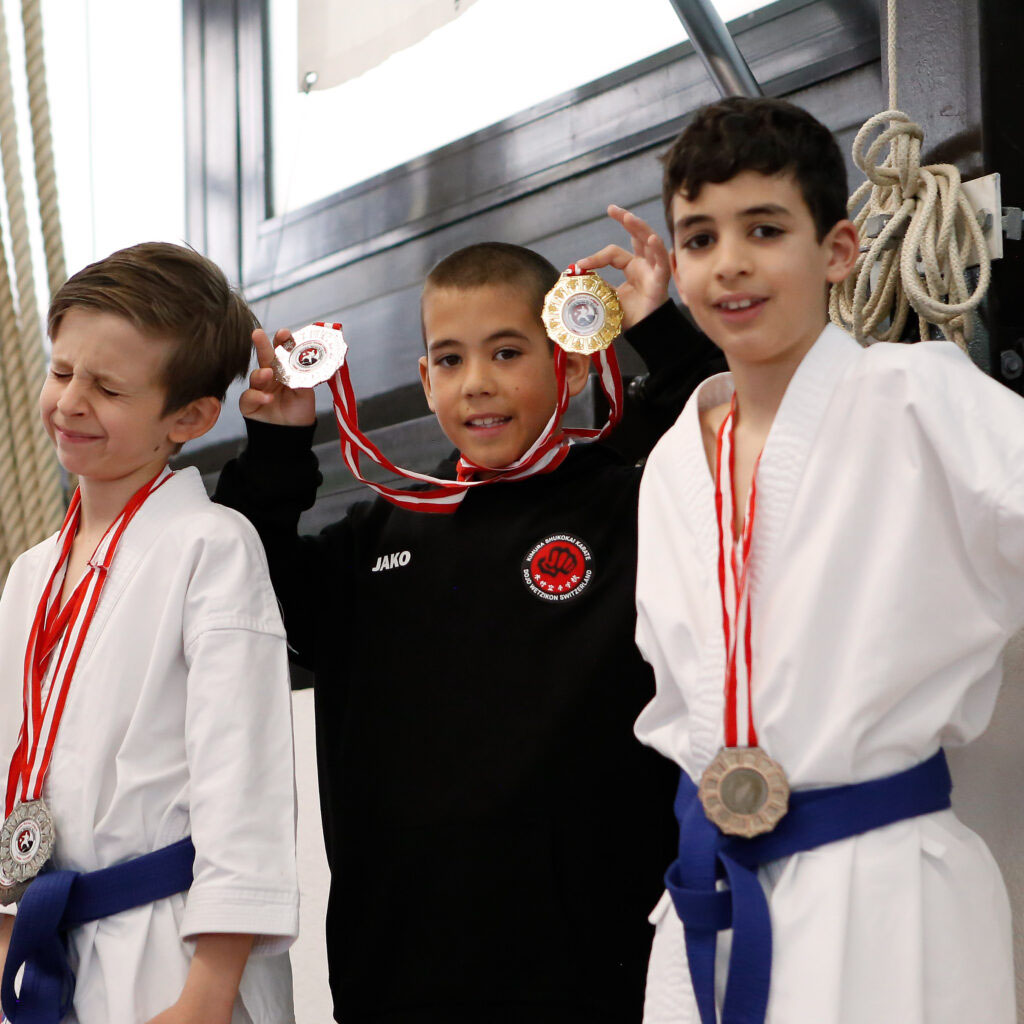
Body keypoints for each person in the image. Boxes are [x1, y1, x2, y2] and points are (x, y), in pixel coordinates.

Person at [214, 212, 724, 1023]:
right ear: (424, 381)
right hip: (401, 977)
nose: (476, 381)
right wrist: (276, 449)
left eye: (507, 352)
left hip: (600, 969)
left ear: (569, 361)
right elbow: (247, 590)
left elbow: (725, 446)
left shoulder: (631, 504)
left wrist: (661, 329)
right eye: (450, 359)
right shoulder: (372, 542)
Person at [634, 95, 1018, 1024]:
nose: (729, 262)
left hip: (885, 884)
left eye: (764, 229)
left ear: (837, 251)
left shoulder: (918, 398)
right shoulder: (673, 459)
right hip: (711, 888)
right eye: (698, 238)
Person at [0, 243, 299, 1024]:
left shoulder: (213, 545)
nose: (69, 403)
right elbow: (12, 771)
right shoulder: (31, 572)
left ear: (192, 417)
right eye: (62, 372)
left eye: (107, 387)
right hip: (46, 950)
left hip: (175, 958)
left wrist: (207, 994)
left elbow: (246, 787)